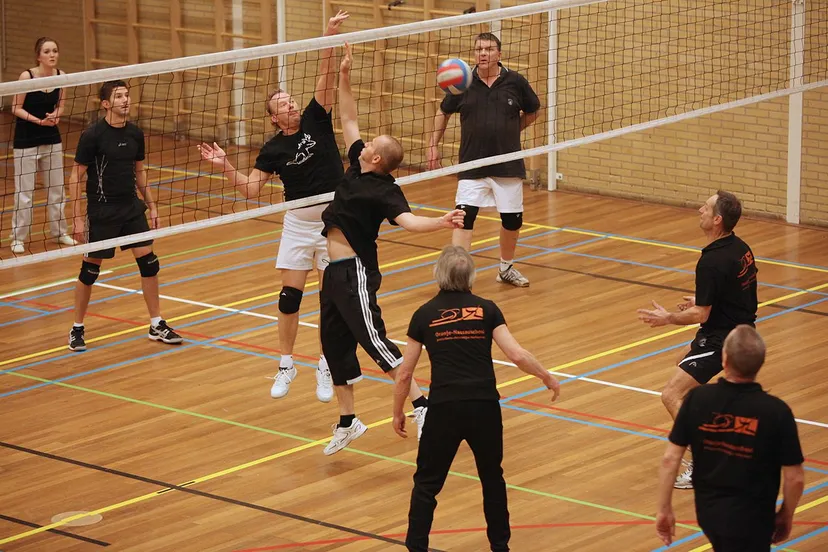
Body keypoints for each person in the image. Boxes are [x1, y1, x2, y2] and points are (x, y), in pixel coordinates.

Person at [319, 43, 466, 456]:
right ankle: (349, 421)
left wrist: (440, 222)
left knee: (375, 341)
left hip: (355, 273)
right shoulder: (354, 164)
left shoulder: (385, 190)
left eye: (370, 145)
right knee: (333, 347)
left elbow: (408, 221)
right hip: (332, 275)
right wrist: (344, 75)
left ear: (378, 157)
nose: (362, 144)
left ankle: (423, 405)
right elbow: (348, 117)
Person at [198, 10, 350, 403]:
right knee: (289, 298)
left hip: (333, 223)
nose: (291, 105)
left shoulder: (318, 117)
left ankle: (325, 362)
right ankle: (286, 363)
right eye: (283, 105)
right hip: (299, 226)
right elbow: (251, 190)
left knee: (330, 300)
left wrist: (328, 35)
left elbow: (325, 75)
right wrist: (226, 166)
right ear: (273, 118)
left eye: (291, 100)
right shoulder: (273, 149)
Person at [393, 246, 560, 552]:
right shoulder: (487, 309)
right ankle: (500, 547)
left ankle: (416, 547)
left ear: (438, 275)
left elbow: (404, 373)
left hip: (444, 408)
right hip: (484, 406)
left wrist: (397, 412)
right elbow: (517, 354)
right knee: (492, 478)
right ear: (471, 275)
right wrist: (546, 377)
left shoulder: (424, 314)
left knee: (427, 484)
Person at [637, 191, 758, 488]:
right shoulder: (740, 248)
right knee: (682, 368)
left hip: (723, 340)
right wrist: (703, 299)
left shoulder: (711, 262)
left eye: (706, 207)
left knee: (670, 395)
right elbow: (737, 293)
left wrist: (668, 318)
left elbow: (700, 315)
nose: (699, 210)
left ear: (717, 219)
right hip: (739, 330)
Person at [656, 325, 804, 552]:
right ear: (760, 363)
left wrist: (664, 508)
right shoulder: (776, 411)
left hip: (709, 513)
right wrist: (786, 514)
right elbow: (795, 478)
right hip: (755, 514)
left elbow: (670, 460)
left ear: (723, 360)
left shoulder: (698, 399)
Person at [67, 80, 182, 351]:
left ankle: (156, 323)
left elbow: (140, 172)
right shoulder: (93, 135)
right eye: (119, 96)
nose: (125, 100)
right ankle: (77, 328)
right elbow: (75, 176)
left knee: (150, 263)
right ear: (106, 103)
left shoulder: (135, 134)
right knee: (90, 270)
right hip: (103, 209)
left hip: (131, 206)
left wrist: (152, 205)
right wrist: (76, 218)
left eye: (127, 95)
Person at [426, 32, 541, 288]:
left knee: (513, 221)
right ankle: (457, 280)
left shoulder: (515, 81)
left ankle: (506, 268)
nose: (483, 53)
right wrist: (433, 144)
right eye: (479, 49)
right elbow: (443, 112)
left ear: (499, 54)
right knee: (463, 217)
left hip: (507, 165)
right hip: (472, 164)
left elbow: (533, 111)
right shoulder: (462, 83)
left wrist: (512, 129)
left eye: (489, 49)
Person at [10, 37, 76, 254]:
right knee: (24, 192)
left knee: (57, 190)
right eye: (47, 51)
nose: (52, 55)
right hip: (26, 141)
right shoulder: (26, 76)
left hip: (51, 139)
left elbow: (62, 106)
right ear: (38, 56)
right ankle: (18, 237)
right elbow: (15, 108)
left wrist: (56, 116)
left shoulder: (61, 77)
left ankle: (59, 232)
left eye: (55, 51)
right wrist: (39, 121)